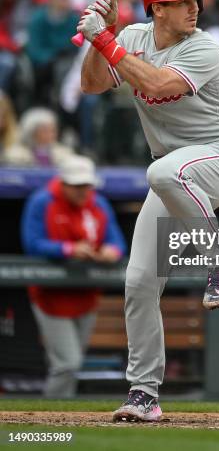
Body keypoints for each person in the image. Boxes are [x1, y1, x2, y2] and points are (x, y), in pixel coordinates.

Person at [77, 0, 219, 422]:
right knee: (137, 283)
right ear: (157, 8)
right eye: (182, 0)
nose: (194, 6)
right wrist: (107, 36)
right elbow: (93, 84)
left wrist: (105, 40)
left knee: (162, 172)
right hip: (173, 174)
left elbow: (155, 84)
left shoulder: (205, 47)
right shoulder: (133, 37)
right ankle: (143, 395)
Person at [21, 155, 126, 398]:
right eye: (76, 185)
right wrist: (68, 249)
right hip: (50, 295)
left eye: (86, 185)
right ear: (63, 183)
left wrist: (112, 251)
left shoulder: (98, 204)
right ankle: (50, 418)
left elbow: (116, 240)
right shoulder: (41, 201)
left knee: (68, 363)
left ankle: (60, 413)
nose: (82, 191)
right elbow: (33, 244)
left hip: (86, 293)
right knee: (68, 363)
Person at [3, 107, 73, 167]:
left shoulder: (63, 153)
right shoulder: (15, 154)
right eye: (45, 130)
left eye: (53, 130)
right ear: (32, 132)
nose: (51, 134)